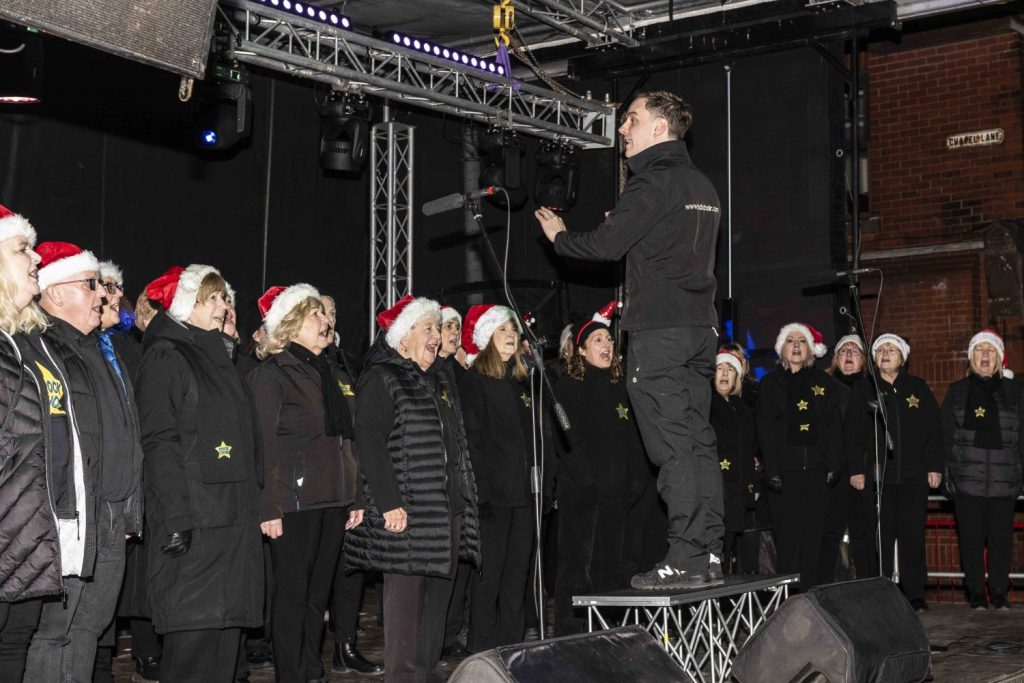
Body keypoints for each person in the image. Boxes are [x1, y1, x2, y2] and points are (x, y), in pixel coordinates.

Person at [536, 89, 724, 588]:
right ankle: (708, 552)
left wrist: (560, 236)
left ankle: (684, 555)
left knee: (672, 447)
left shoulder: (652, 183)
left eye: (632, 120)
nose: (623, 130)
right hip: (700, 330)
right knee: (698, 439)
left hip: (660, 332)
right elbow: (659, 247)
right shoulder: (701, 184)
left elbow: (604, 246)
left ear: (660, 129)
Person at [135, 264, 263, 681]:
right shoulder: (165, 356)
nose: (225, 306)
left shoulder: (218, 358)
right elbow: (158, 442)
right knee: (192, 655)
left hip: (230, 528)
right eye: (215, 298)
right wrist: (177, 518)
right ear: (188, 303)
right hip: (194, 533)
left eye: (226, 298)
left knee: (224, 654)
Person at [345, 294, 479, 683]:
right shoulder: (382, 378)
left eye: (438, 328)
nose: (436, 336)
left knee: (437, 605)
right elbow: (368, 441)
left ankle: (423, 673)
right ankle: (404, 677)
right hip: (406, 511)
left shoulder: (438, 379)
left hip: (446, 512)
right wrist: (388, 502)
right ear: (403, 336)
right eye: (428, 328)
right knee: (405, 606)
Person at [26, 242, 144, 682]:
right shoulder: (44, 350)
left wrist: (131, 507)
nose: (103, 295)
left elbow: (125, 432)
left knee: (91, 629)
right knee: (56, 631)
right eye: (90, 285)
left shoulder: (100, 348)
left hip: (112, 517)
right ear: (55, 294)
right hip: (75, 517)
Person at [247, 284, 365, 683]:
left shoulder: (325, 372)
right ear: (291, 323)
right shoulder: (272, 373)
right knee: (292, 598)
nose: (325, 321)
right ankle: (291, 675)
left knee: (318, 597)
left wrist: (355, 496)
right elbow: (263, 447)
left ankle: (312, 670)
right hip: (293, 504)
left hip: (331, 500)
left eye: (326, 315)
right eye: (315, 315)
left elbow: (345, 442)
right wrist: (269, 507)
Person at [0, 206, 79, 681]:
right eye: (21, 248)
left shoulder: (18, 342)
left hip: (24, 535)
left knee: (14, 650)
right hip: (11, 531)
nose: (35, 258)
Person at [552, 304, 646, 635]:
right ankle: (571, 633)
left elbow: (634, 439)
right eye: (597, 340)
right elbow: (566, 437)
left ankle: (608, 631)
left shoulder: (621, 389)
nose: (606, 345)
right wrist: (586, 480)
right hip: (583, 494)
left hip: (618, 494)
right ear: (580, 350)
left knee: (613, 565)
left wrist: (636, 481)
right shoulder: (567, 387)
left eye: (608, 339)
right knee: (577, 567)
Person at [457, 304, 535, 651]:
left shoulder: (522, 381)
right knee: (488, 582)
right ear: (487, 336)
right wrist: (482, 494)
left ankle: (513, 650)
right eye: (502, 329)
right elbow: (473, 440)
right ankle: (484, 652)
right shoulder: (476, 381)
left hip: (524, 497)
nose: (510, 335)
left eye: (512, 330)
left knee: (517, 580)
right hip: (493, 499)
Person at [846, 334, 942, 610]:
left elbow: (934, 431)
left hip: (913, 477)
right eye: (881, 350)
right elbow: (851, 433)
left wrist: (935, 466)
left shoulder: (917, 388)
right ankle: (882, 592)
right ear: (874, 359)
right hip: (877, 478)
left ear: (903, 358)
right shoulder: (865, 390)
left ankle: (914, 594)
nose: (886, 353)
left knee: (912, 536)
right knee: (881, 538)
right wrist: (856, 470)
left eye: (892, 349)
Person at [320, 294, 383, 676]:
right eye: (321, 311)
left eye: (333, 311)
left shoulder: (345, 366)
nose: (330, 317)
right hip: (315, 490)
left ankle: (346, 647)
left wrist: (360, 488)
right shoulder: (305, 366)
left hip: (350, 485)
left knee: (351, 570)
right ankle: (302, 653)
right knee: (315, 578)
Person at [756, 323, 843, 590]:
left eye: (801, 341)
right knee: (787, 539)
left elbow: (834, 426)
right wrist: (771, 470)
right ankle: (786, 597)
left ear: (811, 350)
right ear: (781, 348)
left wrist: (833, 464)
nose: (795, 346)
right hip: (784, 474)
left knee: (813, 540)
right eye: (790, 340)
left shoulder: (825, 383)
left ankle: (809, 595)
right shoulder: (770, 383)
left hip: (817, 473)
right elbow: (764, 428)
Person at [942, 329, 1022, 610]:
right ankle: (976, 594)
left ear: (1000, 357)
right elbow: (946, 436)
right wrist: (946, 475)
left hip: (1004, 480)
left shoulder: (1016, 392)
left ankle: (999, 594)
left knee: (1001, 543)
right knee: (971, 543)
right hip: (968, 483)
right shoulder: (957, 391)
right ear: (971, 358)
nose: (984, 355)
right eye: (979, 350)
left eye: (990, 350)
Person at [819, 333, 874, 583]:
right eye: (843, 351)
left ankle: (867, 584)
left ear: (864, 360)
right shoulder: (824, 388)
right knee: (829, 532)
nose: (849, 355)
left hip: (864, 470)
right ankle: (824, 585)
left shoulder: (872, 390)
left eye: (855, 351)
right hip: (835, 473)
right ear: (834, 359)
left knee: (863, 534)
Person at [710, 350, 758, 574]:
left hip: (737, 489)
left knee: (729, 546)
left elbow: (749, 451)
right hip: (713, 488)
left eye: (730, 370)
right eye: (720, 368)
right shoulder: (706, 405)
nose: (725, 374)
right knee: (713, 548)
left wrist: (751, 488)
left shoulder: (743, 409)